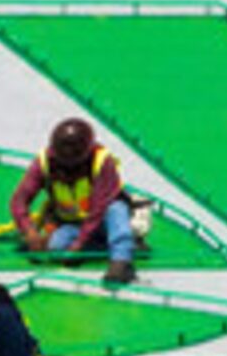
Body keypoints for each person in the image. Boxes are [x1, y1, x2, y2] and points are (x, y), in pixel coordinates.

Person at [11, 115, 141, 285]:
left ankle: (121, 260)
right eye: (63, 164)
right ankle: (100, 245)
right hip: (74, 224)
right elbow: (19, 200)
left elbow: (98, 209)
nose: (68, 171)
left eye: (74, 165)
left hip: (103, 219)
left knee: (116, 209)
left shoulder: (102, 161)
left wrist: (79, 244)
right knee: (56, 248)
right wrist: (29, 230)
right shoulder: (43, 163)